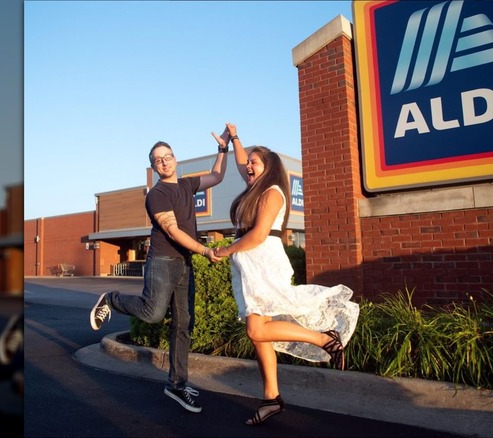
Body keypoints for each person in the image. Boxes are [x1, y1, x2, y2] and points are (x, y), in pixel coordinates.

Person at [213, 123, 360, 426]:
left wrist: (224, 251)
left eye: (254, 163)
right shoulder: (255, 187)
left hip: (263, 260)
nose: (248, 166)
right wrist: (234, 138)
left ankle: (324, 338)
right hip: (247, 265)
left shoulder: (273, 193)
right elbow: (242, 163)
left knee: (256, 330)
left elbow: (257, 235)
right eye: (249, 163)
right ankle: (271, 398)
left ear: (267, 168)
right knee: (259, 335)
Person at [89, 127, 230, 413]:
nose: (164, 162)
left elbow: (217, 176)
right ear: (154, 167)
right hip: (163, 261)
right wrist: (204, 250)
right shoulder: (157, 195)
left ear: (175, 159)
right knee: (153, 313)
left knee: (183, 326)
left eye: (167, 156)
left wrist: (223, 149)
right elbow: (173, 230)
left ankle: (177, 384)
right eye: (158, 160)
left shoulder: (187, 185)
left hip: (184, 266)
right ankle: (112, 300)